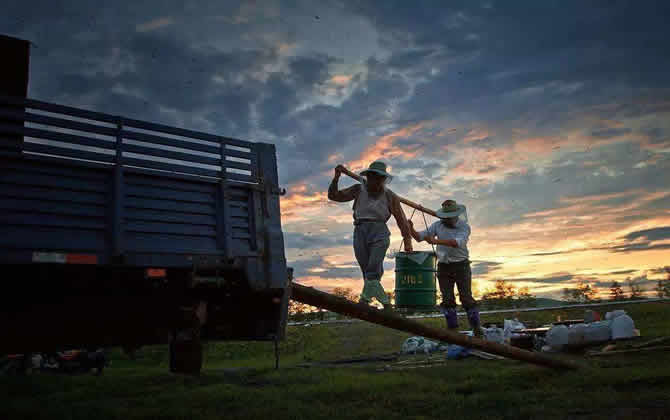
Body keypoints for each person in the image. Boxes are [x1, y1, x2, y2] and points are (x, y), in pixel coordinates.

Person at [328, 161, 413, 311]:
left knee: (373, 267)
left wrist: (407, 241)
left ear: (383, 180)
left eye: (379, 178)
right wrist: (336, 177)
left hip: (379, 231)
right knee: (366, 269)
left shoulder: (390, 196)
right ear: (368, 177)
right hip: (360, 230)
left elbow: (401, 219)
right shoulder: (358, 189)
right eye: (373, 177)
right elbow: (334, 196)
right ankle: (376, 301)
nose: (375, 181)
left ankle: (373, 301)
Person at [407, 199, 483, 336]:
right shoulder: (437, 225)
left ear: (456, 215)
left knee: (466, 298)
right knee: (447, 299)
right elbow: (419, 237)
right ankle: (452, 330)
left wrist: (435, 241)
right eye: (446, 217)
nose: (448, 220)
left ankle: (476, 328)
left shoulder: (464, 227)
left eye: (450, 217)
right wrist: (410, 228)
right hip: (443, 266)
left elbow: (456, 243)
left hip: (461, 266)